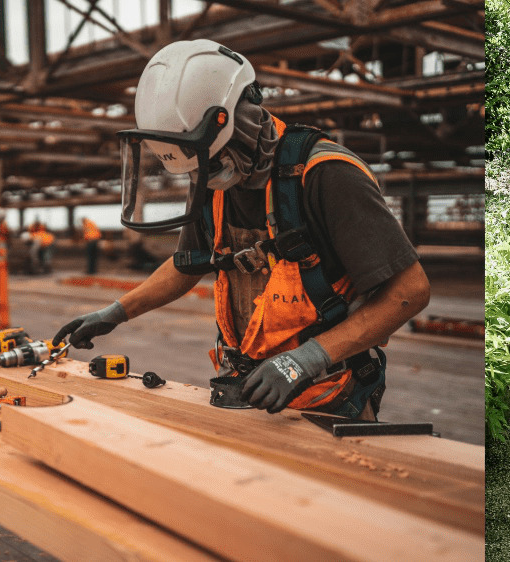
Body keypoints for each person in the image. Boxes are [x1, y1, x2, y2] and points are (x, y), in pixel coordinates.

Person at [53, 39, 430, 419]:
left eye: (212, 161)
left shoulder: (326, 174)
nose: (204, 175)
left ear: (240, 122)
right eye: (197, 167)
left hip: (327, 393)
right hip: (242, 386)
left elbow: (410, 291)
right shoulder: (209, 176)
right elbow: (189, 264)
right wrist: (115, 312)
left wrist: (307, 359)